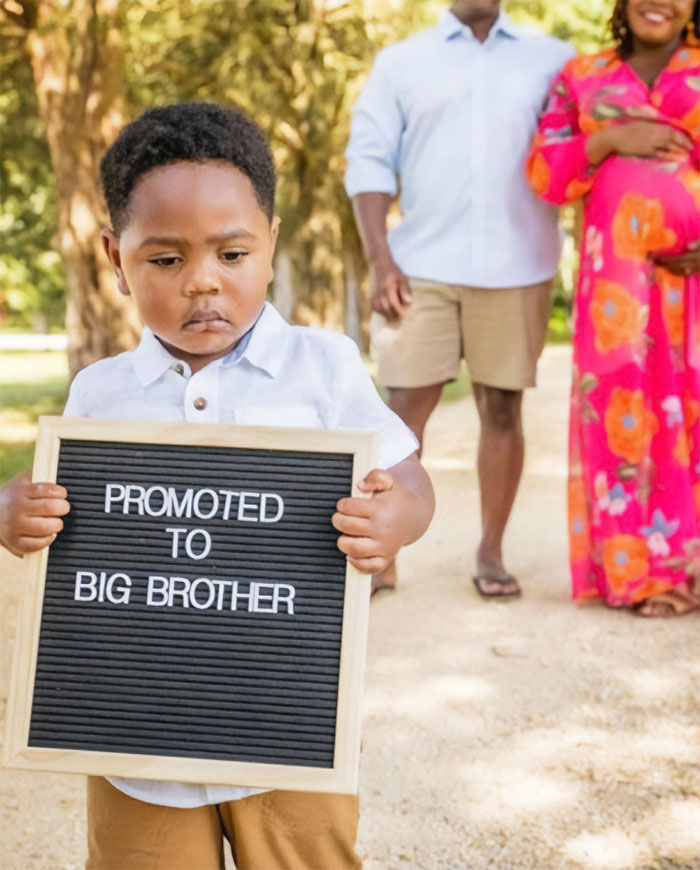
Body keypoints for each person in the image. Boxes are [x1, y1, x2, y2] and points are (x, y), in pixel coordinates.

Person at [0, 102, 435, 869]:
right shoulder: (99, 394)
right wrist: (13, 514)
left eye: (232, 255)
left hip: (291, 723)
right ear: (114, 255)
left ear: (270, 243)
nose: (203, 283)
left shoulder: (322, 367)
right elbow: (59, 524)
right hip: (136, 743)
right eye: (165, 261)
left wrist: (397, 517)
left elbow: (410, 478)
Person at [345, 0, 574, 598]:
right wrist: (380, 261)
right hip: (419, 266)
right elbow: (368, 162)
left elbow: (577, 149)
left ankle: (490, 553)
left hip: (519, 265)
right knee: (400, 417)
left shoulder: (554, 60)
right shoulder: (401, 63)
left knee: (502, 410)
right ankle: (383, 556)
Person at [527, 0, 700, 616]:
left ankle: (692, 567)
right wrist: (609, 139)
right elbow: (546, 173)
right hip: (616, 288)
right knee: (621, 414)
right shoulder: (584, 74)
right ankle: (641, 573)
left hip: (695, 283)